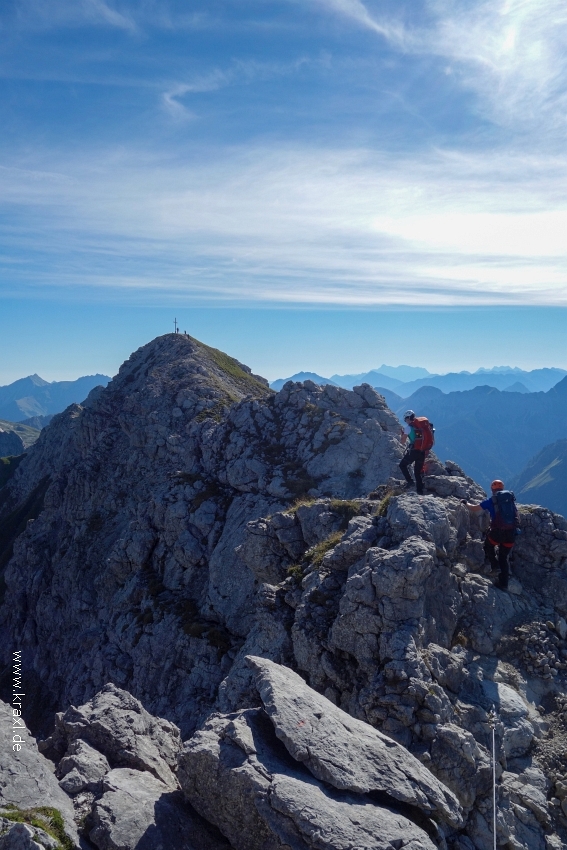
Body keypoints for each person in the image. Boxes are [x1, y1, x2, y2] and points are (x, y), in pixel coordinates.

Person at [461, 480, 518, 590]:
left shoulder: (492, 501)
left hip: (497, 533)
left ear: (492, 489)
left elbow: (474, 508)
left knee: (488, 545)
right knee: (504, 557)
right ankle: (504, 584)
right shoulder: (511, 500)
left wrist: (465, 503)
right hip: (511, 533)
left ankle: (494, 566)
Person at [399, 410, 425, 495]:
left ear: (408, 418)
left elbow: (402, 442)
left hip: (414, 451)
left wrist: (402, 435)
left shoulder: (408, 428)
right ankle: (420, 491)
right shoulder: (419, 426)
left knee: (402, 465)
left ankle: (410, 482)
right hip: (422, 451)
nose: (406, 421)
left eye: (406, 419)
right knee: (417, 471)